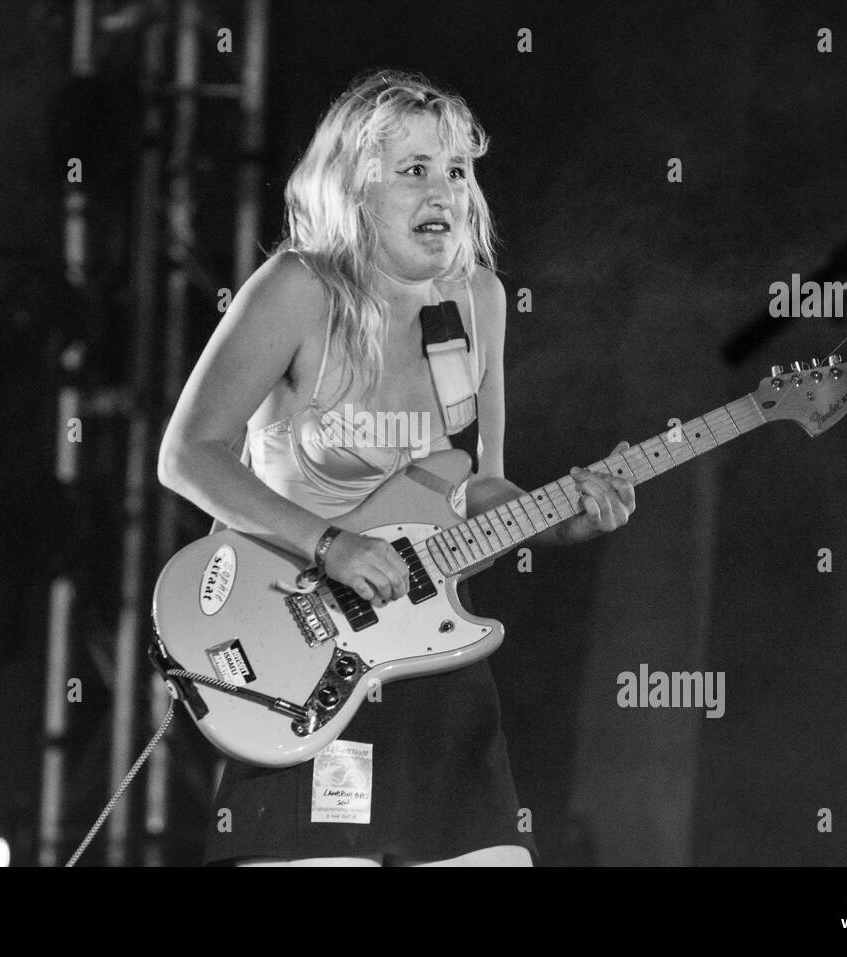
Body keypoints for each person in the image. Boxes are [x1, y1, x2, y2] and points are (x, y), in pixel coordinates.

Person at [156, 70, 636, 866]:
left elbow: (477, 493)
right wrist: (330, 543)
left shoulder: (478, 299)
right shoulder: (298, 289)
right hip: (297, 641)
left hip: (430, 646)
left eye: (455, 170)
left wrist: (562, 519)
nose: (443, 190)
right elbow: (187, 454)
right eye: (413, 170)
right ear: (354, 186)